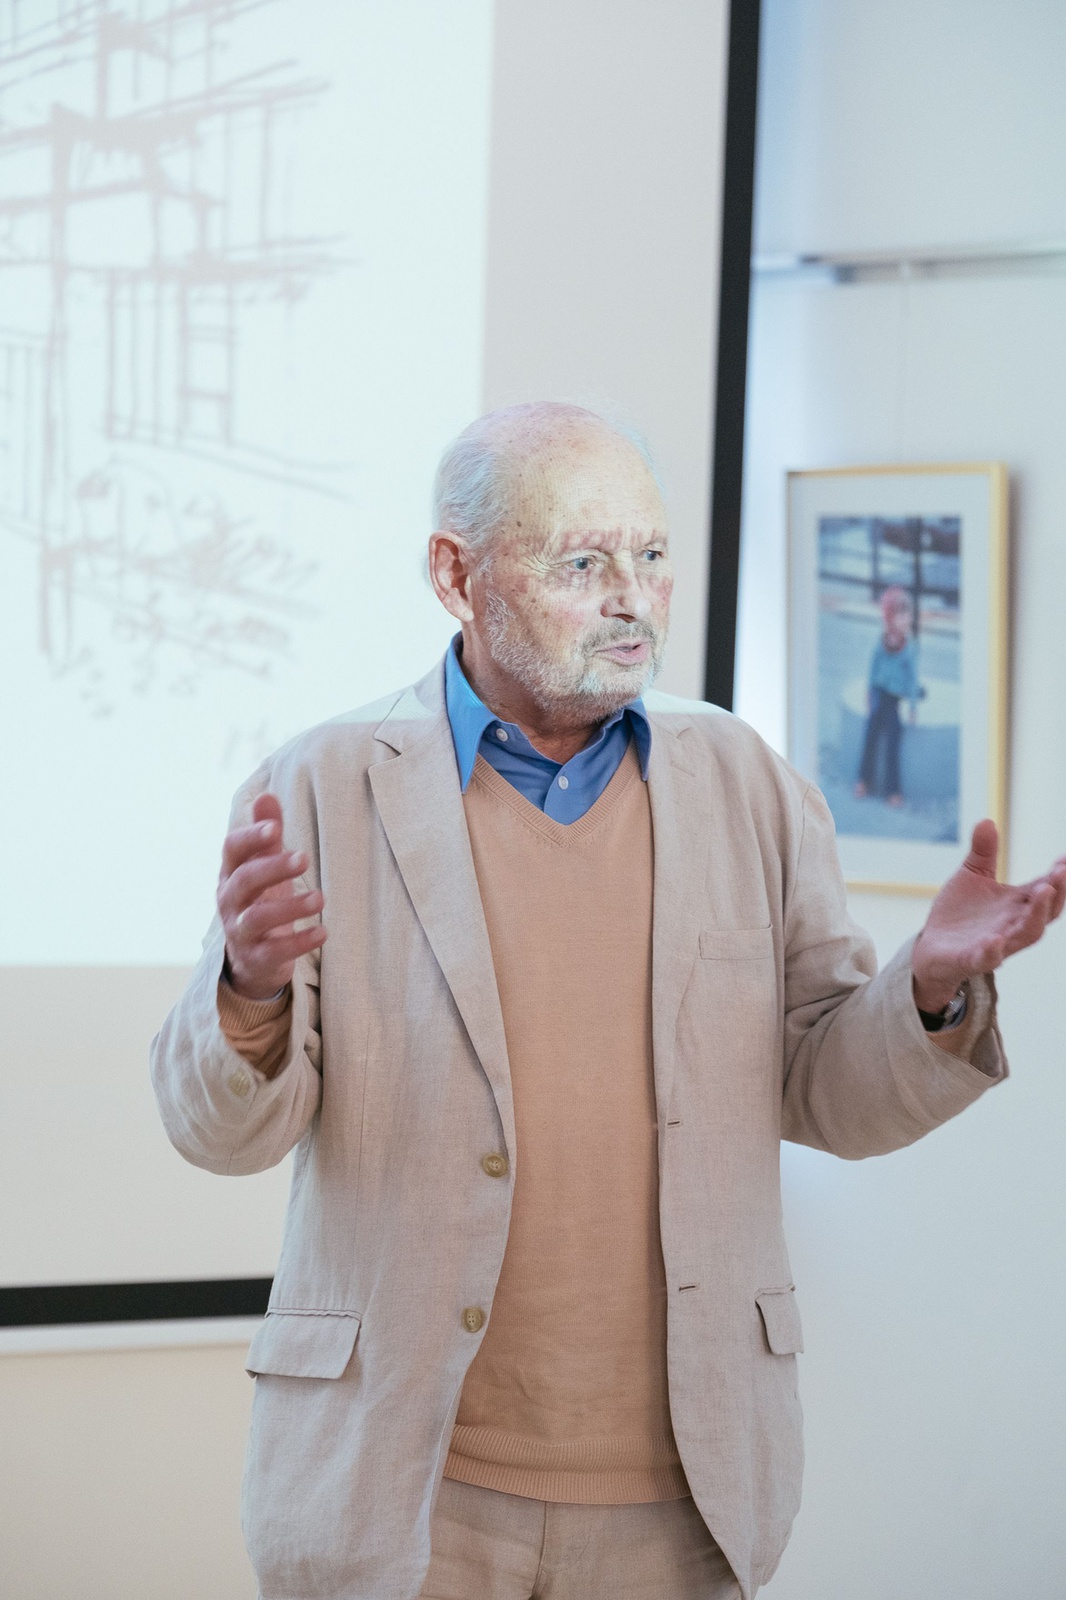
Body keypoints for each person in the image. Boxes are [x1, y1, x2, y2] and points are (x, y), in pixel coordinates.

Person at [151, 403, 1065, 1600]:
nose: (631, 597)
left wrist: (927, 989)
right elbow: (220, 1134)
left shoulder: (748, 784)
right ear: (456, 576)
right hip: (406, 1489)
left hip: (680, 1497)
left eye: (651, 553)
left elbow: (828, 1094)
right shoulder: (319, 784)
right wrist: (250, 988)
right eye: (582, 562)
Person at [854, 584, 921, 808]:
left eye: (907, 614)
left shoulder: (909, 648)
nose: (906, 619)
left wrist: (913, 706)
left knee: (893, 740)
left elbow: (912, 679)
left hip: (894, 699)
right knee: (871, 736)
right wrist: (868, 693)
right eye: (900, 614)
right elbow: (873, 670)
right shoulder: (881, 644)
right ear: (890, 618)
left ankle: (893, 790)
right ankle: (864, 780)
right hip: (879, 694)